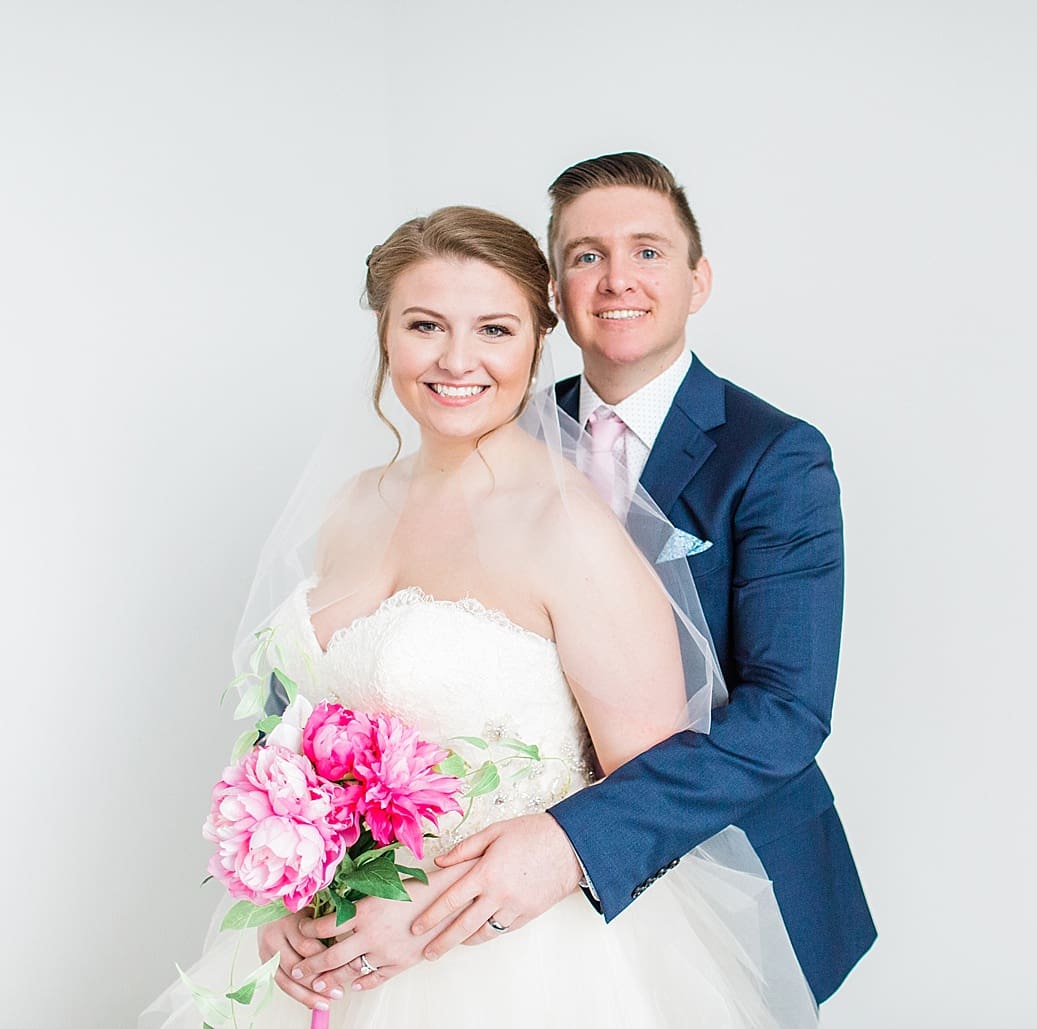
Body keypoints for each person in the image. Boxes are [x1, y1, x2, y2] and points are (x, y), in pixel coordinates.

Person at [141, 205, 816, 1027]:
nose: (457, 360)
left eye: (493, 328)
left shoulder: (568, 522)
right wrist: (292, 880)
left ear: (538, 339)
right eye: (424, 324)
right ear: (385, 335)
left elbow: (650, 780)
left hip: (517, 962)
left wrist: (428, 916)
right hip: (324, 948)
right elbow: (294, 724)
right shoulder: (352, 504)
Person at [308, 153, 876, 1003]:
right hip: (447, 882)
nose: (617, 280)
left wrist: (568, 841)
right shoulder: (485, 420)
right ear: (553, 295)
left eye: (647, 251)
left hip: (718, 866)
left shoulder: (776, 456)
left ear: (699, 278)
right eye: (585, 255)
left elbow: (786, 713)